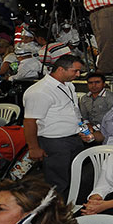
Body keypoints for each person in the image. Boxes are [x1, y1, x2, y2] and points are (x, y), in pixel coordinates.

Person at [23, 54, 85, 194]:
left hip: (74, 138)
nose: (78, 74)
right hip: (55, 142)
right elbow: (29, 121)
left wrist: (82, 129)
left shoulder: (68, 85)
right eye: (75, 71)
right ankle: (57, 212)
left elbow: (72, 111)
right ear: (61, 70)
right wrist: (33, 147)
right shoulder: (40, 91)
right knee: (58, 182)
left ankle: (73, 206)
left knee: (76, 178)